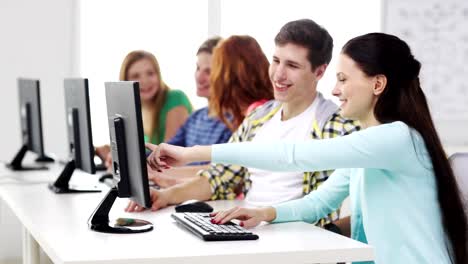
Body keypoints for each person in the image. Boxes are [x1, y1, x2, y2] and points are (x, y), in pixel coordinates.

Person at [146, 33, 467, 264]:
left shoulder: (396, 138)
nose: (336, 89)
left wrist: (192, 153)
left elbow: (293, 156)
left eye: (343, 79)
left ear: (377, 84)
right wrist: (264, 213)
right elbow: (319, 202)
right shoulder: (370, 141)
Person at [126, 19, 359, 229]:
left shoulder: (339, 126)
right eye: (276, 61)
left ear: (319, 71)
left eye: (292, 66)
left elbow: (338, 204)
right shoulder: (259, 117)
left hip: (296, 237)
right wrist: (166, 196)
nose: (278, 74)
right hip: (247, 228)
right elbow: (219, 178)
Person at [146, 35, 275, 187]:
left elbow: (225, 173)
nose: (200, 77)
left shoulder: (243, 119)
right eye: (198, 68)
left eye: (210, 71)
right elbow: (169, 152)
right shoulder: (196, 117)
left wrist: (168, 178)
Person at [95, 50, 193, 165]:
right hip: (159, 178)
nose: (144, 81)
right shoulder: (136, 109)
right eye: (136, 76)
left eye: (150, 73)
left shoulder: (175, 98)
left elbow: (167, 157)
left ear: (158, 75)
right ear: (125, 81)